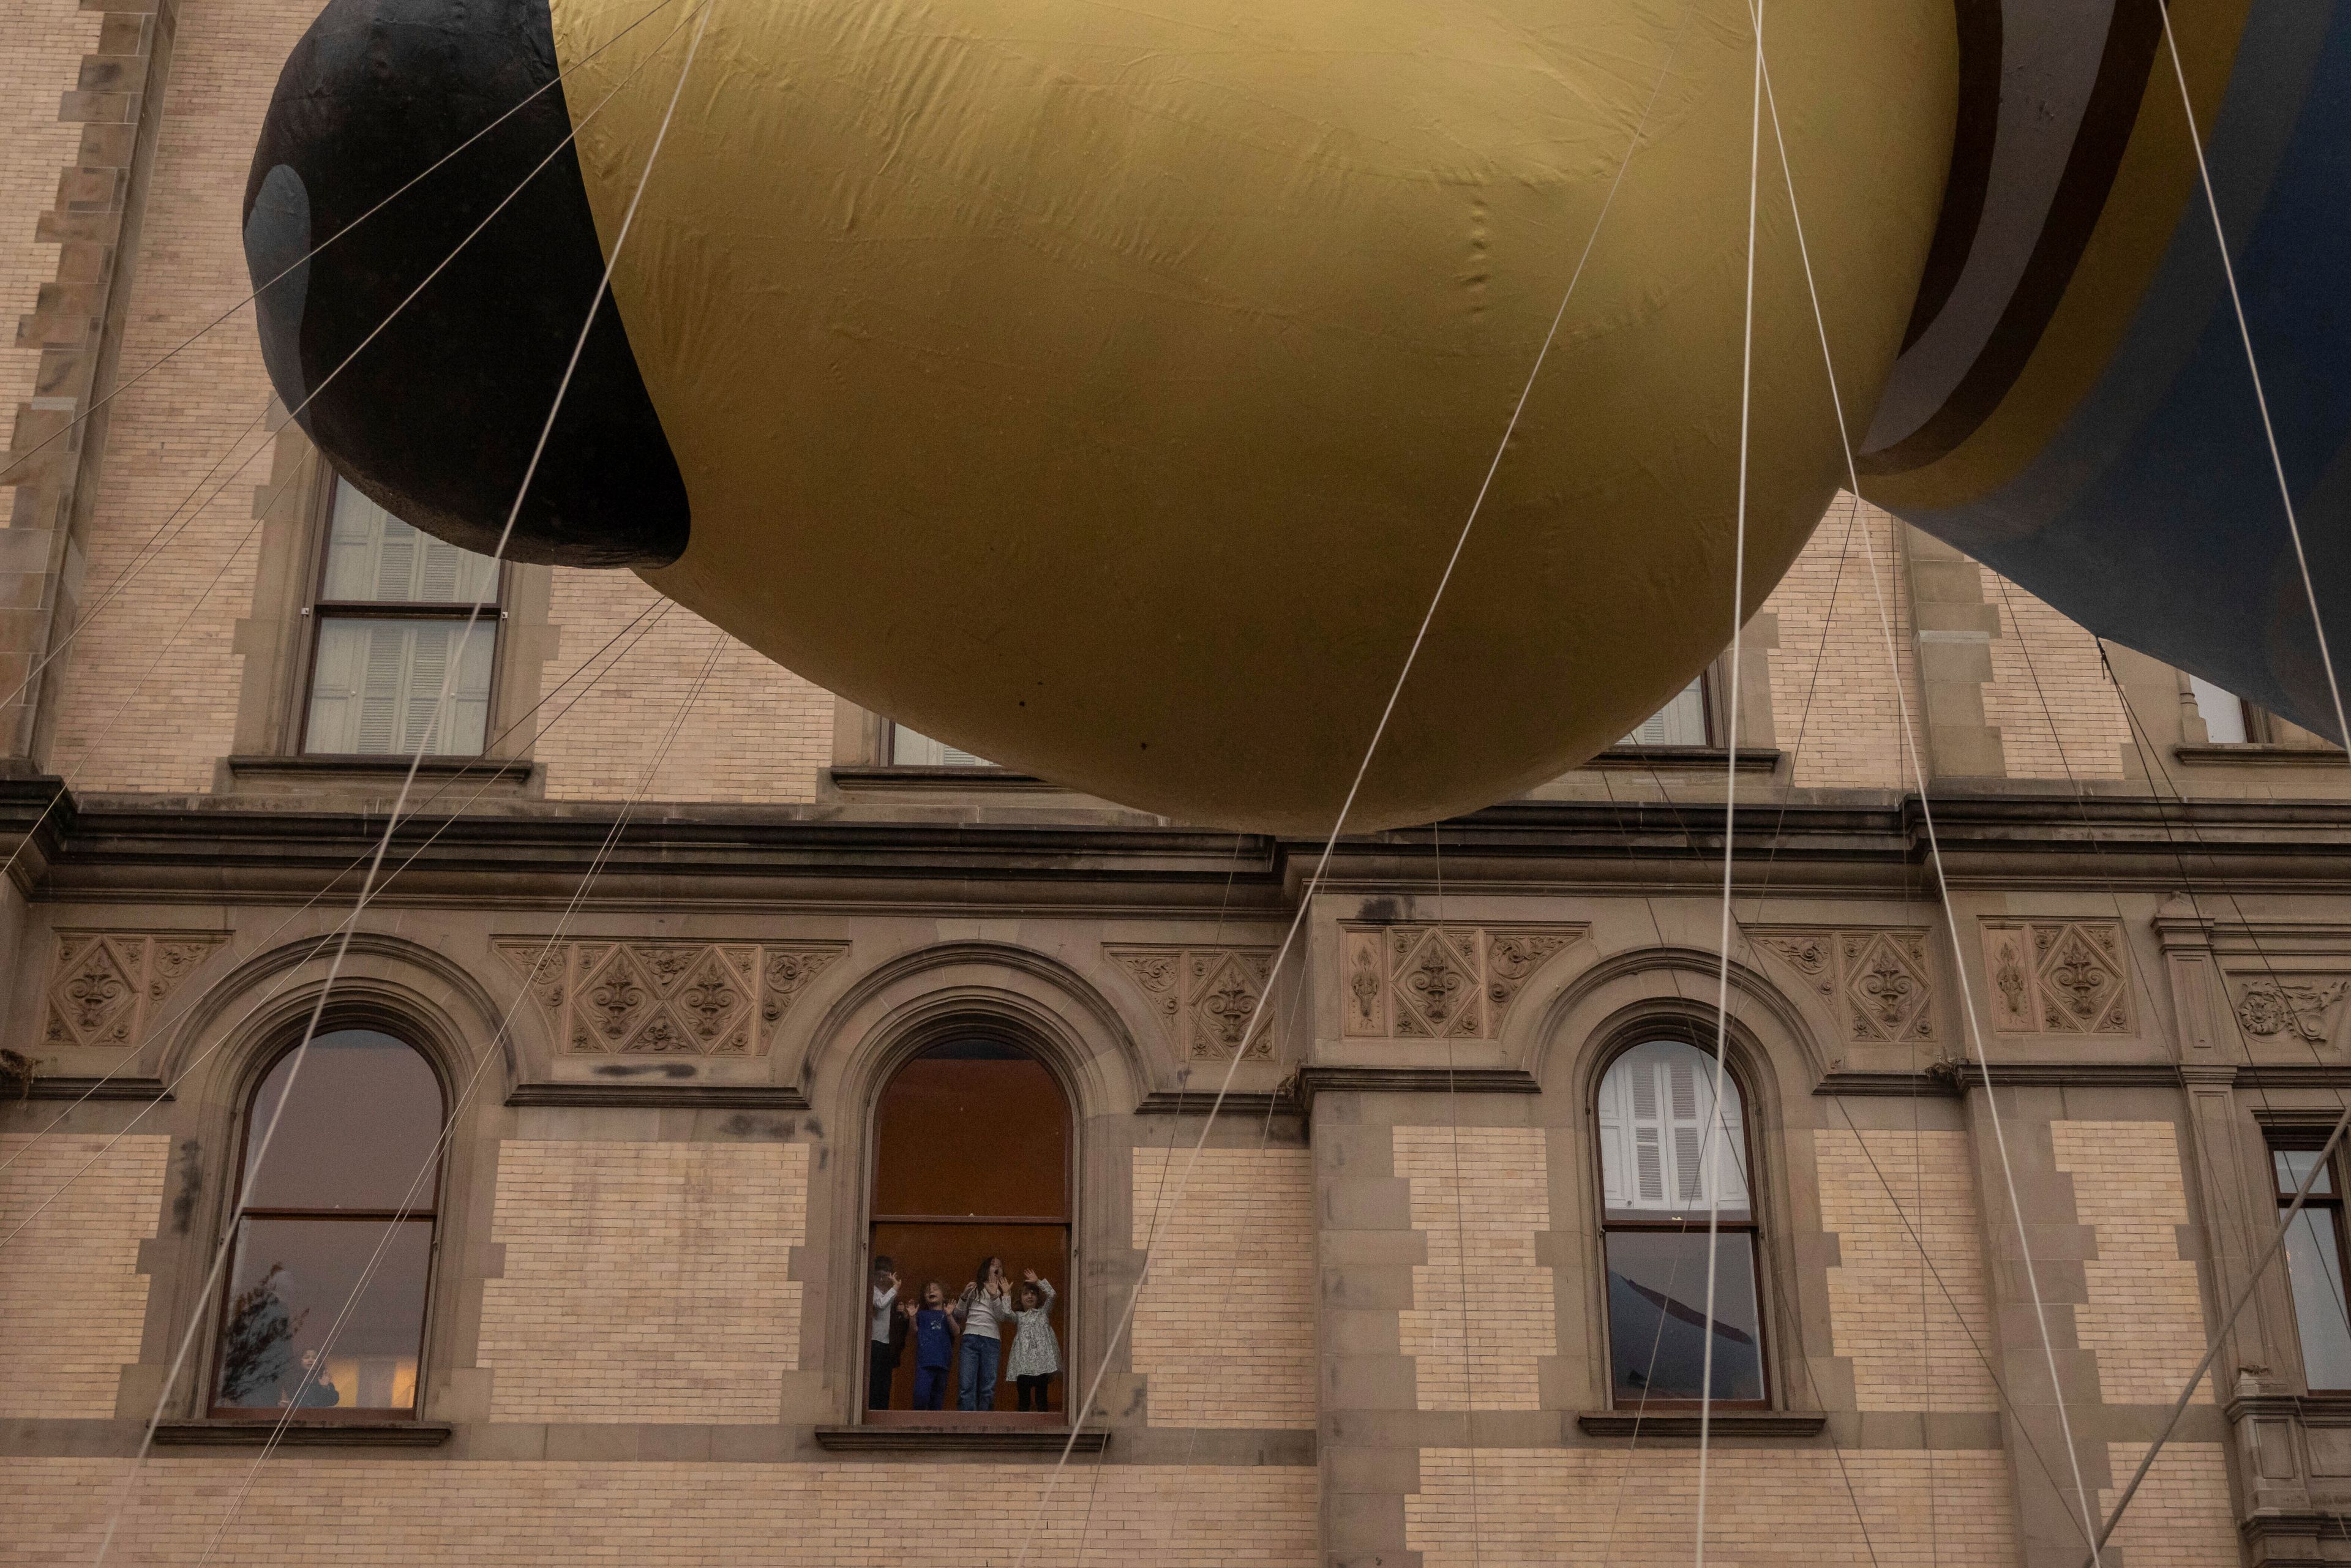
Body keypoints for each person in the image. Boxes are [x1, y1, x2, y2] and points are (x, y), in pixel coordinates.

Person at [951, 1255, 1013, 1411]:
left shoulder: (1002, 1291)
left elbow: (1003, 1316)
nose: (997, 1267)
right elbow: (959, 1314)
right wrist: (964, 1296)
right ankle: (967, 1423)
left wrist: (996, 1296)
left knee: (988, 1386)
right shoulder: (975, 1288)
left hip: (991, 1340)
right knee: (966, 1385)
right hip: (971, 1337)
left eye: (1000, 1265)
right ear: (986, 1269)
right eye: (993, 1265)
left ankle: (985, 1423)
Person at [1003, 1268, 1060, 1412]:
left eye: (1033, 1294)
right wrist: (1006, 1294)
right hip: (1024, 1365)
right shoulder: (1019, 1317)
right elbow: (1006, 1314)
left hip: (1042, 1365)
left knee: (1042, 1399)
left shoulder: (1043, 1313)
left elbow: (1052, 1295)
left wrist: (1038, 1282)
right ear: (1020, 1298)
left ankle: (1043, 1429)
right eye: (1026, 1294)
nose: (1030, 1296)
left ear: (1038, 1298)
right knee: (1024, 1400)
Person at [905, 1281, 954, 1411]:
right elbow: (914, 1331)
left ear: (944, 1296)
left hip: (943, 1362)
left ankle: (934, 1426)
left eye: (935, 1289)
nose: (931, 1291)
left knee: (938, 1399)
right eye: (928, 1290)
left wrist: (949, 1315)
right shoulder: (922, 1314)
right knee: (921, 1395)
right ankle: (919, 1422)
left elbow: (956, 1331)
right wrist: (912, 1316)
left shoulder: (947, 1314)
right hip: (925, 1362)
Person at [867, 1258, 902, 1411]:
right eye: (878, 1275)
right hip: (875, 1340)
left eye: (885, 1276)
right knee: (874, 1380)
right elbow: (880, 1304)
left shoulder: (890, 1294)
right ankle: (873, 1409)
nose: (881, 1279)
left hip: (887, 1343)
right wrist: (895, 1288)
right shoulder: (873, 1291)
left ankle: (883, 1410)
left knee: (885, 1382)